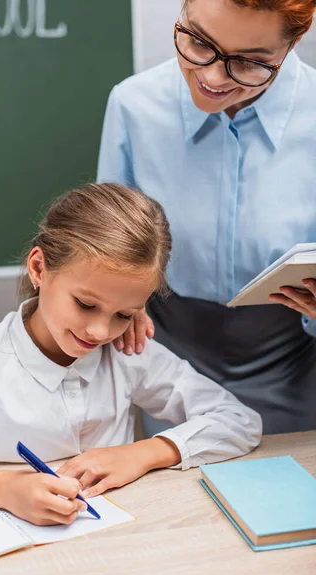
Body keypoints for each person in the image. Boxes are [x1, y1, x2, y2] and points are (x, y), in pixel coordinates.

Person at [0, 183, 260, 526]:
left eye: (124, 314)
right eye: (85, 304)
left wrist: (143, 453)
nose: (100, 331)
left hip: (115, 537)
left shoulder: (129, 352)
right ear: (39, 269)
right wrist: (1, 488)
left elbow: (239, 421)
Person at [98, 0, 316, 435]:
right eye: (198, 41)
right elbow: (109, 248)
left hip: (297, 364)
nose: (212, 78)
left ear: (292, 45)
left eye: (251, 62)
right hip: (165, 358)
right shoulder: (133, 105)